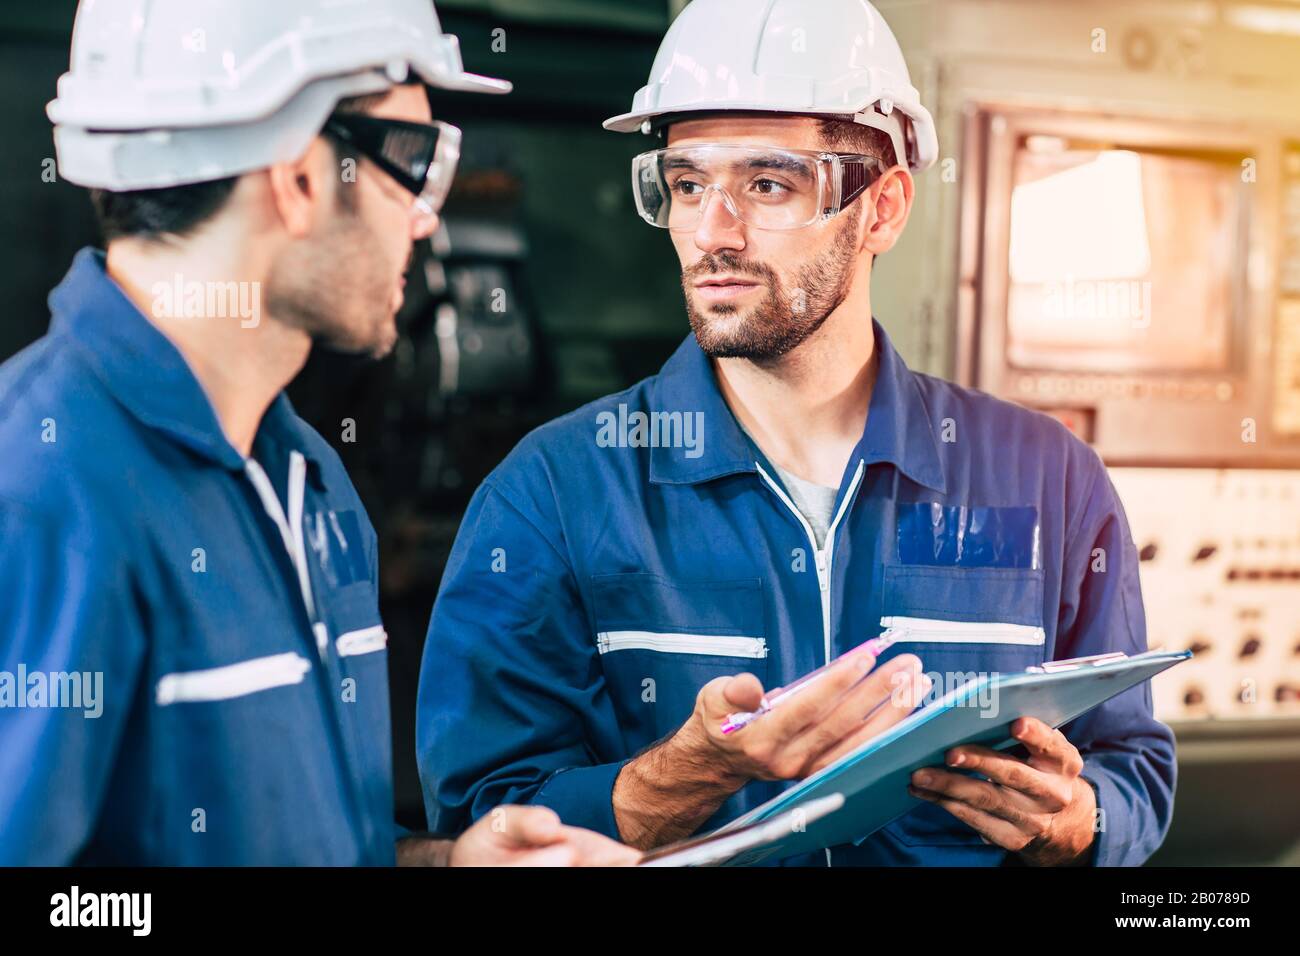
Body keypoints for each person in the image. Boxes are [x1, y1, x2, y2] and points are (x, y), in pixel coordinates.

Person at [417, 0, 1175, 866]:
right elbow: (484, 822)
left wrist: (1077, 821)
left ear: (882, 209)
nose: (712, 234)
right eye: (688, 184)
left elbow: (1132, 767)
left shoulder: (1049, 480)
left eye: (767, 185)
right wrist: (690, 775)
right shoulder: (553, 493)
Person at [0, 0, 636, 868]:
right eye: (415, 164)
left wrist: (444, 864)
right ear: (301, 178)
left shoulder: (310, 481)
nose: (426, 217)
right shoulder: (39, 498)